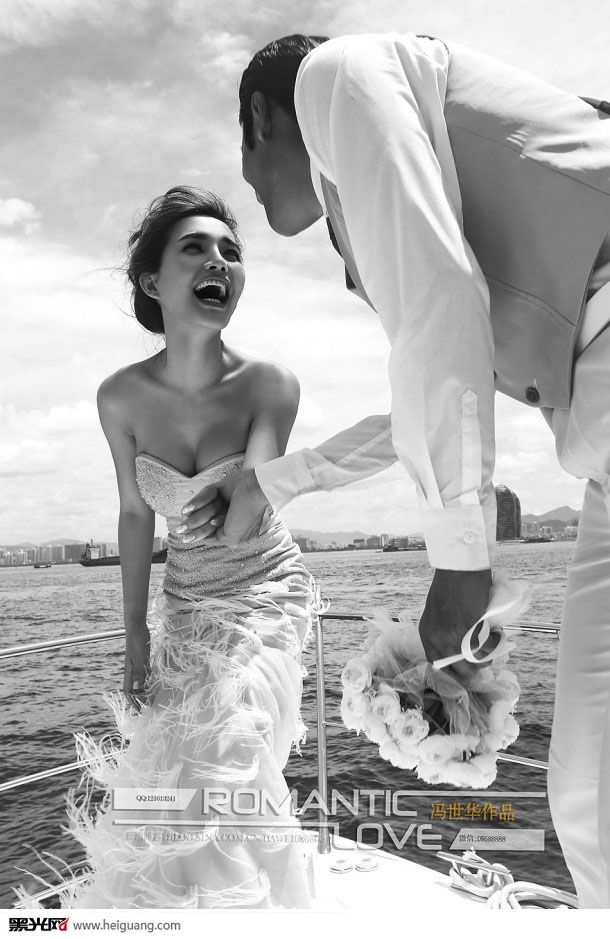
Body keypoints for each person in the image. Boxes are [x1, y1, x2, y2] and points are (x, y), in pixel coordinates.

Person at [177, 34, 610, 907]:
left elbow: (439, 306)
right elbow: (428, 377)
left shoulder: (333, 77)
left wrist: (461, 564)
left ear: (262, 116)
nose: (250, 186)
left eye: (244, 156)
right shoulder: (369, 182)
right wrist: (270, 483)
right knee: (588, 798)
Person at [19, 186, 318, 909]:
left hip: (264, 590)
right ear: (153, 282)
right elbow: (133, 514)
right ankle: (183, 910)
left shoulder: (271, 385)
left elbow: (251, 508)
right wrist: (135, 634)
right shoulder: (119, 397)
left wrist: (242, 494)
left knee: (230, 741)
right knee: (171, 767)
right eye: (196, 247)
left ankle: (265, 911)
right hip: (185, 603)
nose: (220, 261)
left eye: (231, 251)